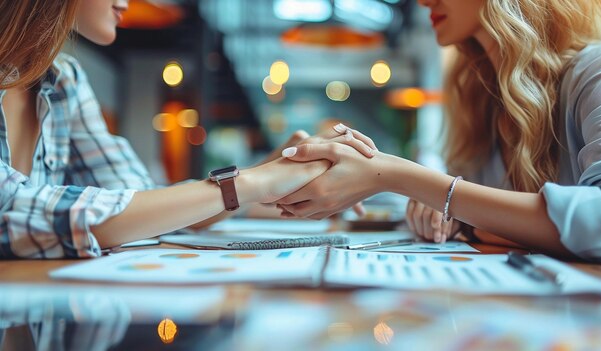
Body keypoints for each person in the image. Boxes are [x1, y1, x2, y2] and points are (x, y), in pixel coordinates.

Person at [0, 0, 376, 259]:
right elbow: (12, 213)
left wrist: (265, 172)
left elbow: (141, 203)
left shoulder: (64, 80)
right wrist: (252, 184)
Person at [277, 0, 601, 263]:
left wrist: (401, 177)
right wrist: (458, 219)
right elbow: (491, 223)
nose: (423, 1)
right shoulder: (481, 99)